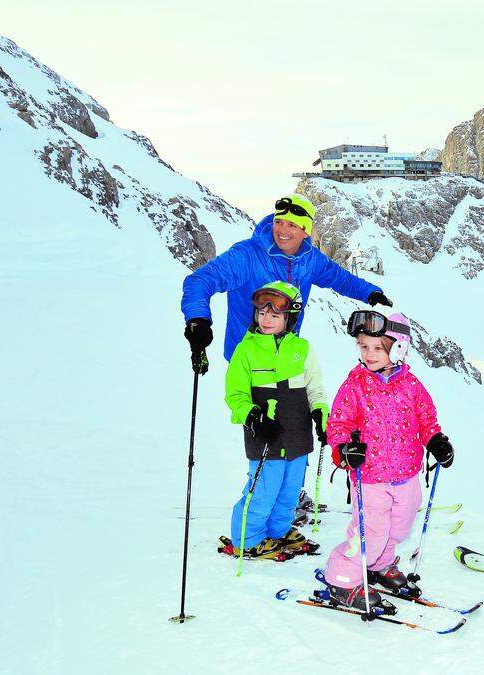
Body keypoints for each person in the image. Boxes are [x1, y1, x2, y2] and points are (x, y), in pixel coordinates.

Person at [321, 310, 454, 612]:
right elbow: (338, 425)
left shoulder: (411, 384)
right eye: (363, 346)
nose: (369, 354)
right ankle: (343, 578)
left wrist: (435, 440)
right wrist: (344, 449)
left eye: (377, 347)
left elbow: (426, 419)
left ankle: (379, 564)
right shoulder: (355, 384)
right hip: (369, 478)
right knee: (372, 532)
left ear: (399, 348)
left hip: (406, 474)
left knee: (399, 528)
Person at [180, 193, 392, 368]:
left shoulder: (310, 258)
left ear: (305, 230)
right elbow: (200, 280)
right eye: (278, 222)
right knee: (258, 418)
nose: (282, 230)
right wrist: (198, 319)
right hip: (247, 360)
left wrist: (369, 292)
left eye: (292, 225)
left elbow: (340, 279)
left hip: (286, 356)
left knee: (294, 417)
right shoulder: (247, 255)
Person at [217, 281, 327, 560]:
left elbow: (315, 387)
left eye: (275, 315)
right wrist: (253, 417)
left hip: (298, 434)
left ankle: (277, 532)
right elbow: (235, 394)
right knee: (263, 489)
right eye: (262, 313)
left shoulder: (302, 348)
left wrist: (320, 414)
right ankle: (248, 538)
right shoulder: (246, 350)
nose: (266, 319)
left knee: (290, 491)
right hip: (266, 434)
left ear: (289, 318)